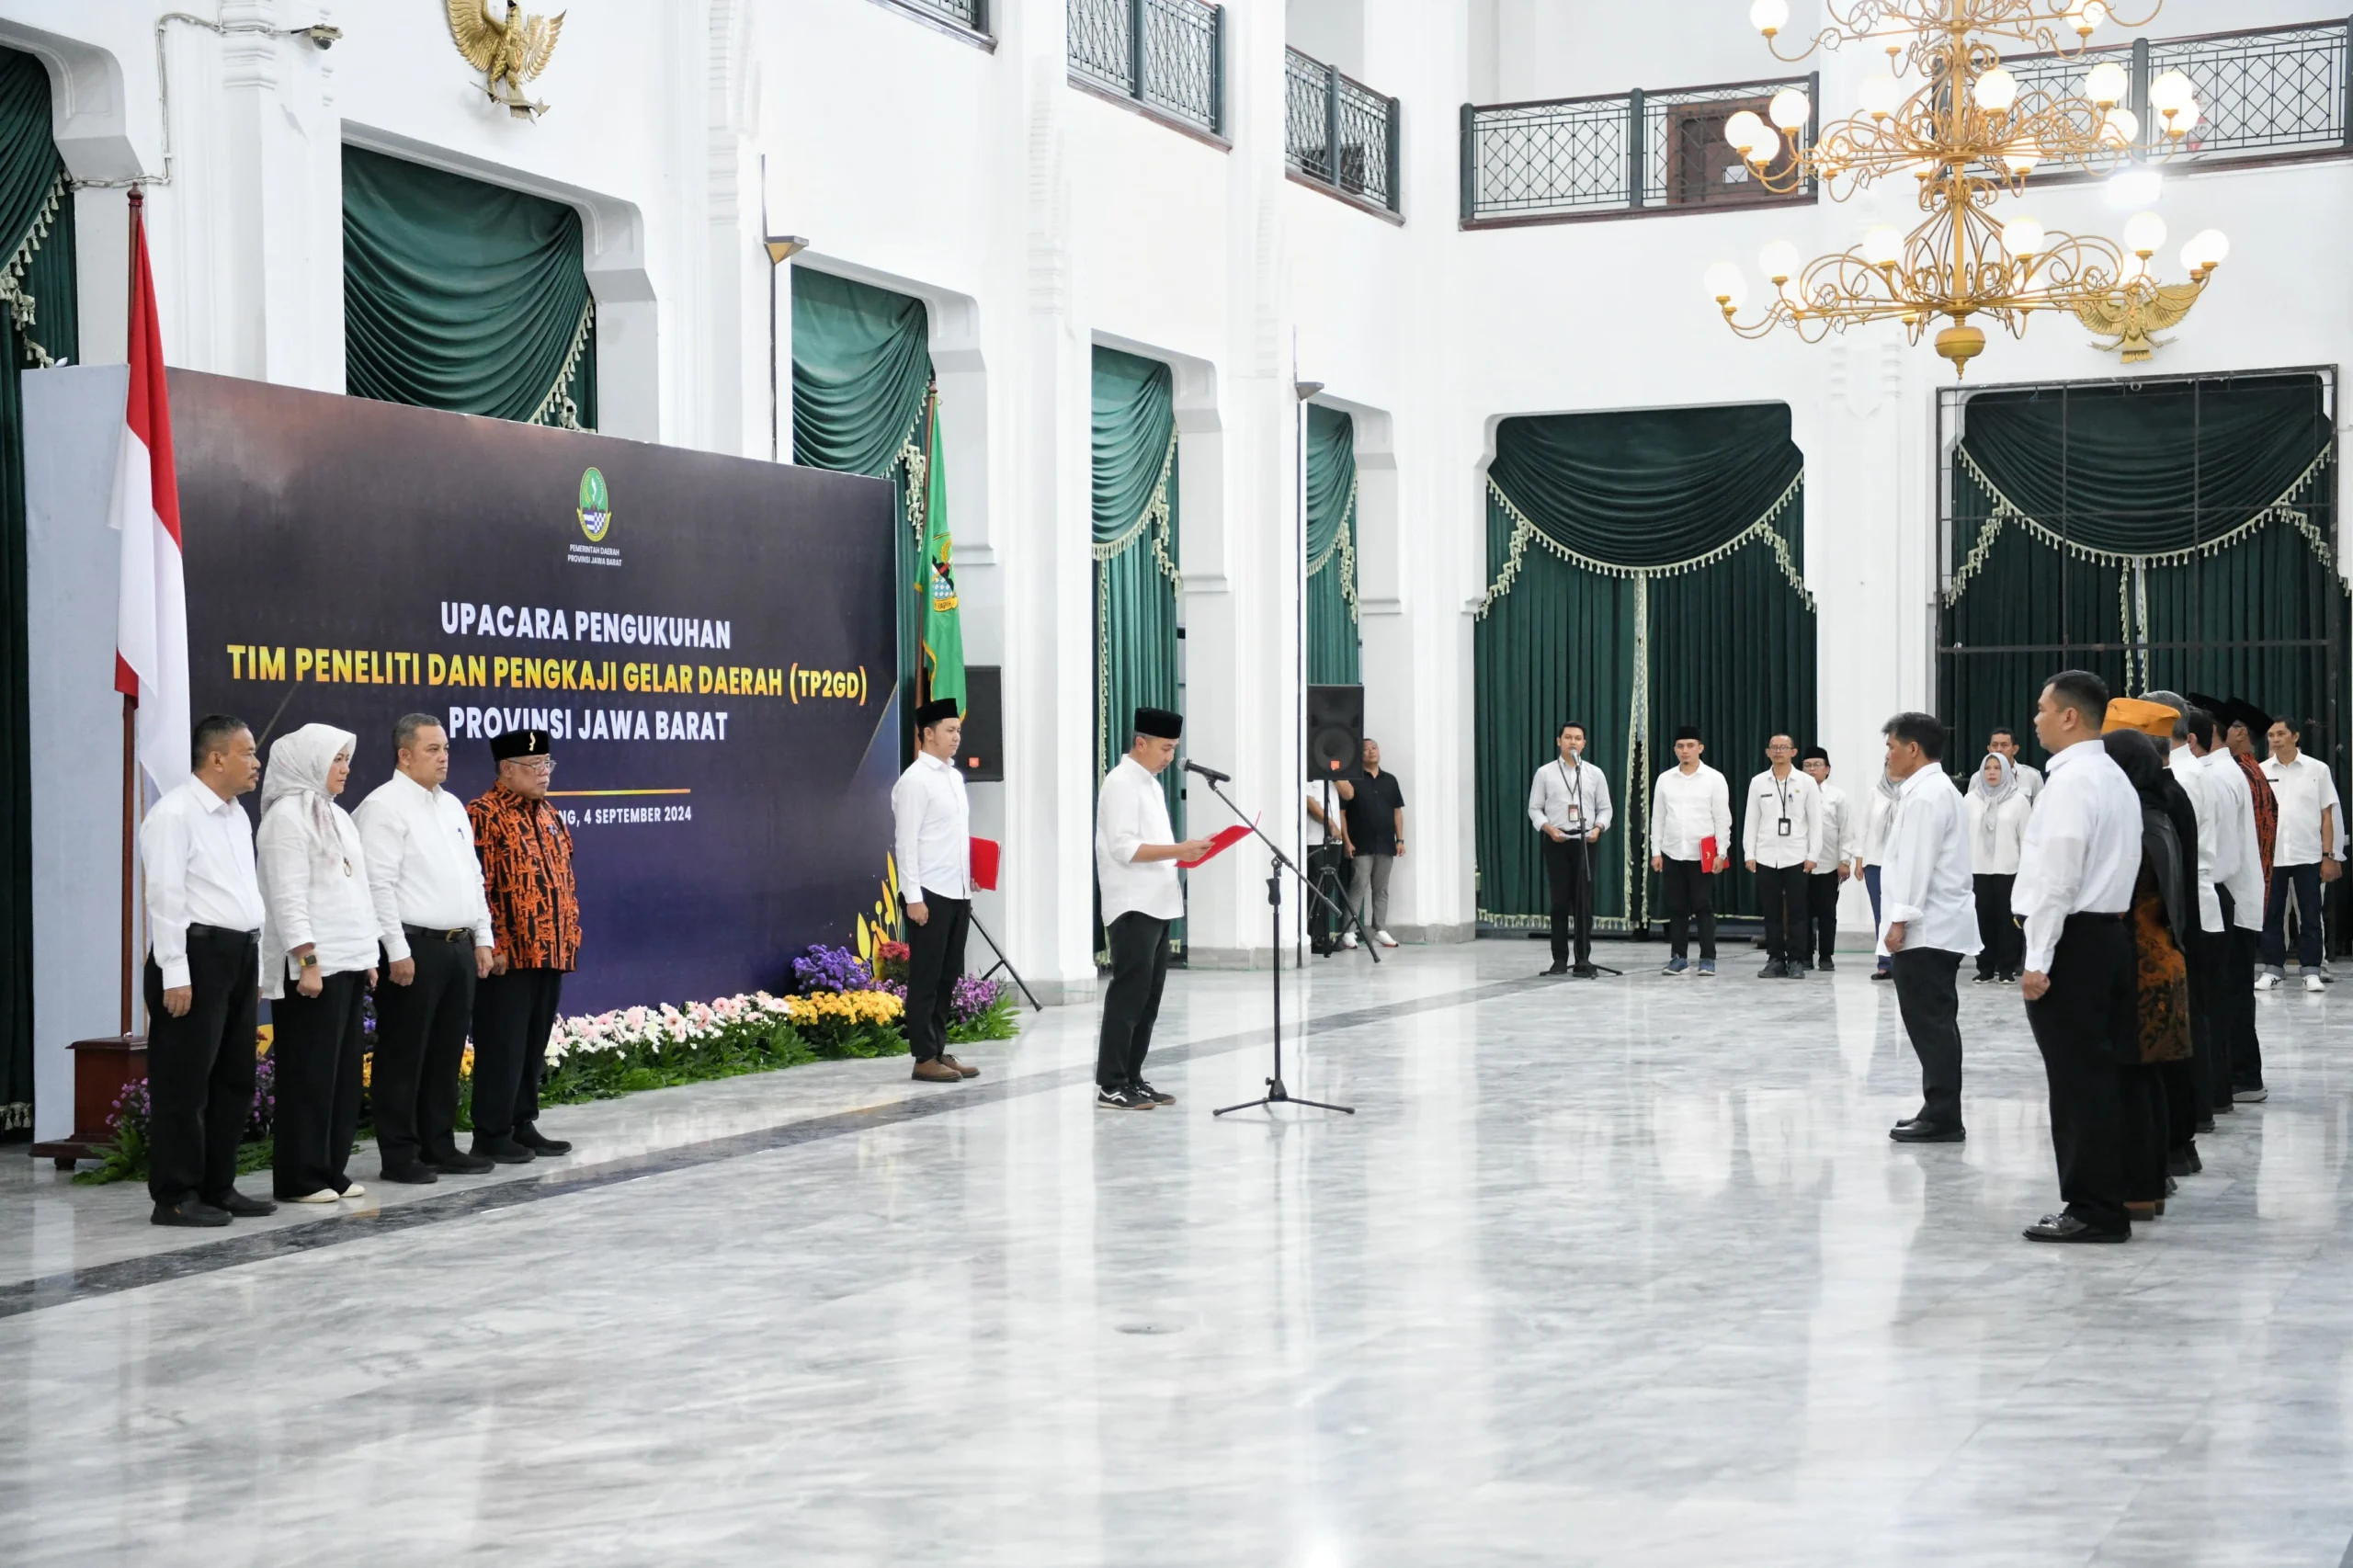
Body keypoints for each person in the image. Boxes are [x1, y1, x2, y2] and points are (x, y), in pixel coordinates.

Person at [2014, 670, 2144, 1244]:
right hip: (2108, 936)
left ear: (2070, 716)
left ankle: (2092, 1208)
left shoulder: (2071, 782)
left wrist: (2038, 959)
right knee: (2102, 1075)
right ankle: (2111, 1195)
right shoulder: (2110, 774)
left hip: (2075, 942)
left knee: (2077, 1082)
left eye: (2042, 708)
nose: (2036, 717)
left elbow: (2056, 880)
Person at [139, 715, 277, 1228]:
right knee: (185, 1083)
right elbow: (166, 898)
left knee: (234, 1079)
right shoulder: (174, 814)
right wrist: (175, 971)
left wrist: (255, 962)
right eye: (248, 752)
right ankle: (175, 1194)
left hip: (237, 956)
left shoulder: (236, 815)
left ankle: (218, 1186)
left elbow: (243, 895)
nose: (256, 762)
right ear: (216, 758)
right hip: (194, 958)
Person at [354, 713, 497, 1185]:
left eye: (446, 748)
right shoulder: (384, 807)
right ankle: (400, 1153)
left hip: (456, 945)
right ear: (404, 754)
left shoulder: (452, 806)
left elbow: (472, 877)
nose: (444, 757)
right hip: (412, 945)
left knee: (445, 1050)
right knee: (404, 1053)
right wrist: (395, 950)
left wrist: (483, 936)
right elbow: (379, 886)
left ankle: (439, 1144)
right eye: (433, 749)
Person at [256, 724, 379, 1206]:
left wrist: (368, 955)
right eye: (336, 760)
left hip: (349, 962)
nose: (345, 768)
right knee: (308, 1075)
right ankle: (299, 1177)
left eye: (347, 759)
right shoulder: (286, 818)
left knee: (344, 1075)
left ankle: (331, 1168)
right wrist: (307, 960)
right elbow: (287, 898)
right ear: (308, 762)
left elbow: (358, 890)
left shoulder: (338, 816)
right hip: (313, 970)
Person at [2101, 704, 2198, 1224]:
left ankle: (2143, 1179)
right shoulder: (2159, 809)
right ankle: (2155, 1174)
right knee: (2152, 1080)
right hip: (2163, 962)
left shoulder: (2137, 823)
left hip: (2142, 967)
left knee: (2137, 1082)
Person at [468, 728, 580, 1163]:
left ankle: (521, 1122)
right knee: (503, 1042)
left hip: (550, 948)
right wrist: (492, 943)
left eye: (547, 765)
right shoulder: (484, 814)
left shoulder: (549, 814)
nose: (543, 774)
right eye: (534, 767)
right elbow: (483, 885)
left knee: (533, 1041)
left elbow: (564, 879)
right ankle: (491, 1131)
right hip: (508, 955)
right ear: (507, 770)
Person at [1096, 707, 1210, 1110]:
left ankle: (1132, 1076)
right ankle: (1111, 1082)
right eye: (1165, 748)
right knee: (1128, 996)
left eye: (1174, 748)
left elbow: (1155, 846)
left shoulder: (1151, 785)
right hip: (1132, 905)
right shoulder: (1121, 783)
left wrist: (1187, 854)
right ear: (1139, 743)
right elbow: (1124, 848)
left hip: (1158, 902)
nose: (1169, 756)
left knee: (1149, 998)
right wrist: (1181, 849)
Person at [1878, 712, 1978, 1144]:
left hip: (1927, 930)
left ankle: (1942, 1115)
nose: (1888, 756)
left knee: (1930, 1023)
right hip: (1938, 925)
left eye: (1892, 747)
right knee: (1936, 1022)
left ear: (1912, 749)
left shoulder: (1925, 796)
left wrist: (1900, 920)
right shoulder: (1933, 790)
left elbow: (1916, 865)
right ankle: (1939, 1107)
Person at [2147, 694, 2225, 1159]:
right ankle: (2200, 1109)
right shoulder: (2191, 773)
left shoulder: (2181, 779)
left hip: (2186, 906)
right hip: (2195, 901)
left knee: (2185, 1015)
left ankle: (2194, 1114)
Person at [893, 698, 980, 1085]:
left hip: (957, 888)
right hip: (928, 892)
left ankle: (939, 1047)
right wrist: (913, 897)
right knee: (926, 976)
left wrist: (971, 874)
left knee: (948, 975)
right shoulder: (915, 780)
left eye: (958, 730)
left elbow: (953, 836)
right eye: (949, 730)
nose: (956, 737)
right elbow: (906, 843)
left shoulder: (953, 776)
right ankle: (923, 1056)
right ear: (927, 734)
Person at [2193, 699, 2268, 1113]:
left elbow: (2221, 855)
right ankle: (2240, 1076)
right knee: (2233, 995)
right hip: (2240, 895)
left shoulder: (2222, 776)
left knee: (2229, 997)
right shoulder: (2232, 771)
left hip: (2231, 897)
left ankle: (2240, 1076)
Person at [2258, 714, 2340, 993]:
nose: (2275, 740)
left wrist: (2329, 855)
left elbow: (2326, 815)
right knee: (2271, 914)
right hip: (2272, 857)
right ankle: (2272, 969)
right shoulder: (2261, 770)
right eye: (2271, 735)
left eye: (2281, 734)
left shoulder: (2317, 769)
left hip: (2308, 854)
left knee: (2310, 914)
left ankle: (2311, 970)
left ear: (2295, 737)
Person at [1528, 722, 1612, 978]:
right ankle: (1559, 959)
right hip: (1557, 841)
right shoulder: (1545, 773)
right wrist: (1549, 829)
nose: (1572, 742)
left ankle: (1583, 959)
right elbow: (1534, 808)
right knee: (1559, 902)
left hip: (1586, 843)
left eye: (1577, 738)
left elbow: (1605, 808)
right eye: (1567, 737)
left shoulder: (1594, 774)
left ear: (1584, 744)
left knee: (1583, 903)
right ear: (1559, 741)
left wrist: (1598, 828)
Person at [1650, 724, 1732, 977]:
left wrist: (1722, 851)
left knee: (1703, 906)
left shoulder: (1714, 779)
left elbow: (1722, 817)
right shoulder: (1665, 779)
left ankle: (1707, 958)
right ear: (1675, 749)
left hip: (1702, 854)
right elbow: (1658, 818)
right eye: (1680, 746)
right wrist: (1656, 851)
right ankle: (1679, 957)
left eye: (1690, 746)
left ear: (1700, 748)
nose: (1685, 751)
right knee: (1677, 907)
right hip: (1673, 852)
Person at [1743, 733, 1823, 979]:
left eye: (1784, 747)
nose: (1778, 751)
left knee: (1798, 911)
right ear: (1767, 752)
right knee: (1771, 911)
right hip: (1766, 855)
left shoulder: (1806, 782)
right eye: (1774, 748)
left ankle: (1797, 959)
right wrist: (1749, 852)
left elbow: (1815, 822)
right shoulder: (1758, 782)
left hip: (1797, 855)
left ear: (1793, 752)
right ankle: (1775, 958)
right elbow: (1751, 820)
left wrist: (1813, 854)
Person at [1963, 753, 2031, 983]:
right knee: (1982, 919)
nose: (1992, 772)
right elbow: (1961, 838)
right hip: (1978, 870)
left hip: (2009, 870)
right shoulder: (1970, 800)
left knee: (2007, 921)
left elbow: (2027, 839)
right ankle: (1984, 967)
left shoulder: (2018, 801)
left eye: (1997, 768)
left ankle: (2006, 969)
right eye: (1988, 768)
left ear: (2005, 771)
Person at [1337, 737, 1404, 949]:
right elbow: (1342, 813)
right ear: (1360, 755)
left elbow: (1397, 812)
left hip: (1386, 843)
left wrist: (1400, 839)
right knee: (1358, 886)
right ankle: (1349, 931)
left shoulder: (1390, 780)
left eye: (1374, 748)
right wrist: (1346, 840)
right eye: (1366, 749)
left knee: (1381, 889)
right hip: (1360, 843)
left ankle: (1380, 929)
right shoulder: (1352, 780)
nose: (1371, 752)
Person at [1799, 746, 1856, 971]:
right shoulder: (1794, 794)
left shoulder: (1837, 797)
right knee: (1800, 913)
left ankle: (1825, 956)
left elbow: (1846, 830)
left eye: (1817, 765)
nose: (1812, 770)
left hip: (1829, 864)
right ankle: (1803, 955)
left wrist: (1845, 861)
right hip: (1800, 864)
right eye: (1807, 765)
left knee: (1827, 915)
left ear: (1827, 769)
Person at [1857, 768, 1902, 981]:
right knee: (1880, 914)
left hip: (1902, 863)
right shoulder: (1874, 792)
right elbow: (1863, 827)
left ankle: (1903, 963)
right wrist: (1859, 859)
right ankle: (1884, 963)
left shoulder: (1912, 792)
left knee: (1901, 914)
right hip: (1875, 862)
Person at [1304, 771, 1352, 953]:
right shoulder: (1309, 774)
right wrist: (1330, 824)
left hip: (1335, 840)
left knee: (1328, 888)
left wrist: (1335, 776)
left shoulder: (1334, 775)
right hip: (1315, 839)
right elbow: (1310, 802)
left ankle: (1323, 935)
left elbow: (1349, 794)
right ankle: (1312, 936)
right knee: (1316, 888)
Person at [1989, 726, 2043, 801]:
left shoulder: (2032, 776)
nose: (1999, 749)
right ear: (1989, 749)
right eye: (1995, 745)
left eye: (2004, 745)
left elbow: (2040, 808)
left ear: (2015, 749)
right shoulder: (1977, 778)